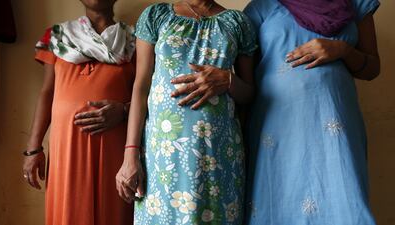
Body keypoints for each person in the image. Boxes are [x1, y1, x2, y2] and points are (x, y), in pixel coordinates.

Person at [115, 1, 257, 224]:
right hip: (163, 155)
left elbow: (249, 94)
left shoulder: (237, 23)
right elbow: (140, 87)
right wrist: (130, 155)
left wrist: (228, 80)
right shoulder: (157, 16)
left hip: (219, 154)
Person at [241, 0, 381, 224]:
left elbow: (372, 69)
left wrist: (343, 50)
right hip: (277, 127)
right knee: (276, 201)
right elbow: (245, 83)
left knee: (343, 201)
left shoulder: (356, 3)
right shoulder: (261, 7)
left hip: (336, 121)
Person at [22, 0, 136, 224]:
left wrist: (123, 111)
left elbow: (149, 97)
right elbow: (47, 92)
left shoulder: (135, 41)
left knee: (112, 212)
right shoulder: (57, 37)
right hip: (66, 150)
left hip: (116, 149)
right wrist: (33, 149)